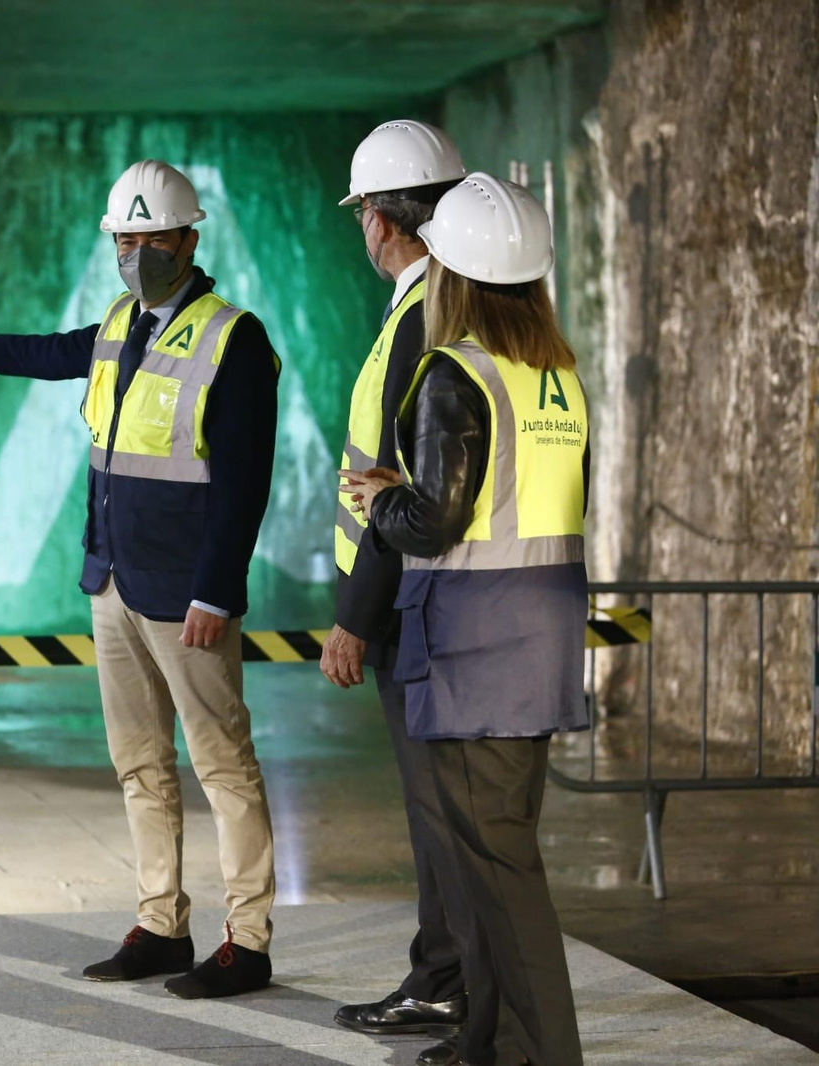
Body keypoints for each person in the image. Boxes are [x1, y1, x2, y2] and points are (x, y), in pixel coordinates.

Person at [0, 160, 281, 999]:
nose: (135, 254)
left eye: (150, 238)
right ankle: (162, 925)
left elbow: (244, 481)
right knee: (141, 766)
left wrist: (217, 591)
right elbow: (62, 354)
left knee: (223, 766)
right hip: (115, 583)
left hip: (185, 596)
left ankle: (248, 939)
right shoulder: (117, 324)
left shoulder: (231, 337)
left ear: (189, 238)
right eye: (123, 240)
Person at [343, 172, 590, 1066]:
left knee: (500, 871)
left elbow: (437, 519)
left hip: (477, 647)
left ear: (452, 270)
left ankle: (539, 1054)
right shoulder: (553, 377)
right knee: (495, 862)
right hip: (543, 644)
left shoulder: (456, 374)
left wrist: (381, 500)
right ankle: (490, 1041)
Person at [323, 120, 472, 1043]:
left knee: (437, 813)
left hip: (413, 607)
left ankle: (444, 982)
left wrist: (351, 619)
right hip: (435, 602)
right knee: (441, 814)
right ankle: (445, 976)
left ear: (381, 219)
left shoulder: (421, 317)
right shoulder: (453, 305)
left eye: (363, 216)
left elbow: (395, 486)